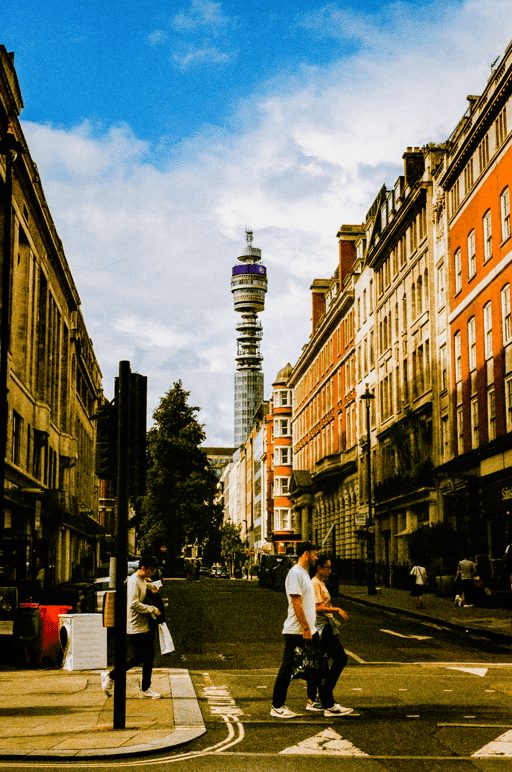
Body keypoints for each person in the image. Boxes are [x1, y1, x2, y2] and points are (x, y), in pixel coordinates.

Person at [270, 542, 353, 719]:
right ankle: (277, 705)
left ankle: (328, 705)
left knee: (320, 668)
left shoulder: (304, 574)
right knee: (287, 669)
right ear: (306, 554)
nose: (316, 557)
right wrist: (306, 628)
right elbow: (296, 603)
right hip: (296, 630)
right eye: (315, 554)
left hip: (309, 629)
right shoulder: (295, 573)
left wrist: (310, 628)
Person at [101, 556, 163, 699]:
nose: (152, 573)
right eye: (151, 570)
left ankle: (146, 688)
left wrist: (151, 586)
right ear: (143, 568)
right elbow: (133, 604)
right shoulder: (134, 581)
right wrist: (152, 609)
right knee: (138, 657)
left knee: (149, 656)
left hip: (144, 625)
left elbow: (144, 585)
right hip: (135, 626)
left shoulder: (142, 580)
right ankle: (111, 676)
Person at [306, 554, 349, 712]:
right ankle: (324, 696)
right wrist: (336, 609)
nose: (330, 571)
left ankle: (316, 698)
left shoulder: (320, 583)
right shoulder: (315, 584)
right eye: (327, 567)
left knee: (320, 664)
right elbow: (316, 608)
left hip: (326, 626)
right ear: (319, 568)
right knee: (340, 658)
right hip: (322, 628)